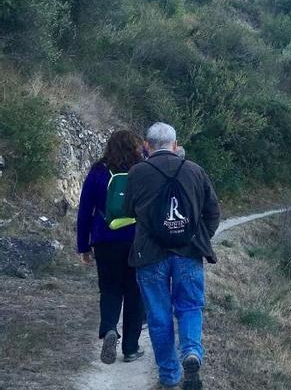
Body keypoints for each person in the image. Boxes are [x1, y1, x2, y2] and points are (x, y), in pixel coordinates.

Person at [125, 122, 220, 390]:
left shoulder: (137, 173)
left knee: (158, 315)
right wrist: (199, 238)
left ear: (147, 145)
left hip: (149, 254)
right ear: (175, 145)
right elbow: (213, 212)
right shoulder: (194, 171)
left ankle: (169, 376)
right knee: (190, 306)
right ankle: (191, 352)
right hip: (188, 253)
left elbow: (129, 209)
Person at [76, 130, 145, 365]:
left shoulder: (98, 171)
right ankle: (131, 349)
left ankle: (108, 330)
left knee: (109, 288)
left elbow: (85, 210)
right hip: (137, 239)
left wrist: (83, 246)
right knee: (135, 293)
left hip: (105, 239)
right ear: (135, 147)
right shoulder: (142, 170)